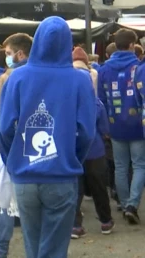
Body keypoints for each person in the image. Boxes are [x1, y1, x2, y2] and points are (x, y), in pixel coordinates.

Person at [0, 17, 96, 258]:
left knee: (33, 245)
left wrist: (12, 161)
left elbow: (4, 129)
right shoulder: (80, 80)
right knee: (53, 249)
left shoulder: (17, 78)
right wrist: (73, 158)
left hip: (25, 174)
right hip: (61, 174)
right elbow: (87, 132)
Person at [0, 32, 32, 258]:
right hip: (38, 151)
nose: (7, 58)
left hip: (9, 149)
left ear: (20, 53)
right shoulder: (44, 74)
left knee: (4, 203)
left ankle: (0, 252)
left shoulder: (7, 78)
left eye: (9, 53)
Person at [70, 47, 114, 238]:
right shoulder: (96, 103)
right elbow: (105, 130)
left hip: (72, 151)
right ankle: (105, 222)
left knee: (75, 191)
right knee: (99, 189)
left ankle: (75, 226)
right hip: (94, 151)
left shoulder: (65, 103)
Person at [103, 28, 145, 224]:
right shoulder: (138, 68)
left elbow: (100, 101)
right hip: (138, 126)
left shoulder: (103, 69)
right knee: (139, 165)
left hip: (114, 126)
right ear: (131, 45)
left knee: (120, 167)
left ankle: (125, 202)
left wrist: (105, 127)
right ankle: (132, 205)